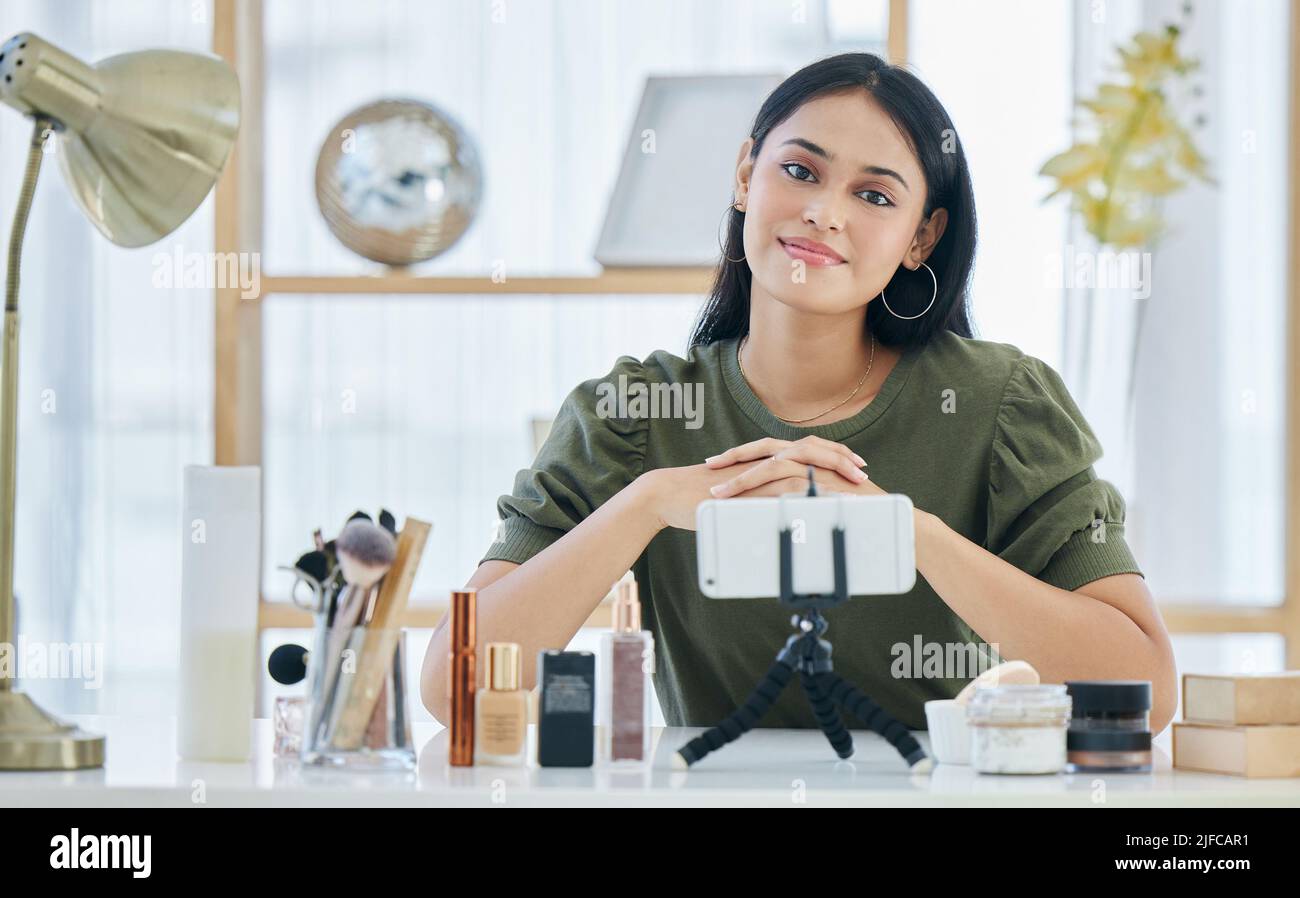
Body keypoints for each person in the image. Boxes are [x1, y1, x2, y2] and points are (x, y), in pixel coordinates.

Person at [420, 52, 1177, 735]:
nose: (825, 211)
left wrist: (904, 532)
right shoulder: (633, 413)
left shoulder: (1002, 405)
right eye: (802, 172)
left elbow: (1147, 687)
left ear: (923, 237)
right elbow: (451, 686)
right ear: (747, 174)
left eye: (876, 196)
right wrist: (645, 504)